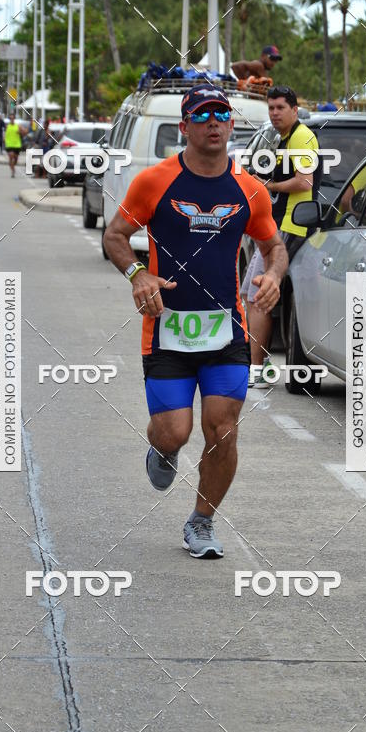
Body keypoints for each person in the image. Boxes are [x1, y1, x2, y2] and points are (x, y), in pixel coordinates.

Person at [104, 83, 287, 560]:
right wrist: (137, 273)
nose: (213, 123)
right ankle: (162, 450)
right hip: (166, 328)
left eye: (220, 115)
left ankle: (201, 522)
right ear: (184, 126)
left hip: (225, 329)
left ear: (230, 124)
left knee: (222, 428)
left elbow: (275, 246)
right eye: (202, 116)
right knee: (174, 432)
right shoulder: (154, 182)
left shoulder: (249, 190)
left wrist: (274, 275)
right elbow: (116, 236)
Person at [240, 85, 320, 386]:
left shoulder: (301, 138)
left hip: (291, 226)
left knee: (259, 296)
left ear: (294, 110)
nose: (274, 113)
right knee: (251, 293)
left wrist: (267, 186)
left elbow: (303, 181)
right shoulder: (282, 138)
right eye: (271, 108)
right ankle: (259, 364)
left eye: (280, 108)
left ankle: (257, 370)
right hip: (276, 225)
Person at [4, 113, 26, 177]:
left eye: (13, 118)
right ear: (9, 119)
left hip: (17, 145)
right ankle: (13, 171)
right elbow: (5, 134)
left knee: (16, 159)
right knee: (11, 156)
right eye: (10, 118)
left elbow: (24, 133)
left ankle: (12, 166)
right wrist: (4, 139)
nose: (12, 119)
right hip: (9, 144)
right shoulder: (7, 126)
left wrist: (20, 132)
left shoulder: (18, 126)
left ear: (14, 119)